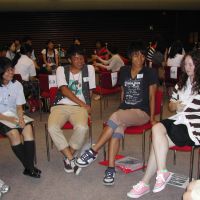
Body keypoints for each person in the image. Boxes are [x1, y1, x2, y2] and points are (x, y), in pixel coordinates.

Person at [76, 40, 158, 185]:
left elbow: (152, 96)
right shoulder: (124, 71)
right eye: (136, 56)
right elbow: (123, 92)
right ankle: (111, 168)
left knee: (115, 116)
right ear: (130, 57)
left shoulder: (150, 72)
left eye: (142, 56)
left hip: (141, 112)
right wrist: (122, 106)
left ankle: (94, 150)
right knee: (116, 129)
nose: (140, 59)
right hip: (125, 111)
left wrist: (151, 118)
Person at [126, 49, 200, 199]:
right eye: (186, 64)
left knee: (158, 141)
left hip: (194, 127)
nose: (188, 67)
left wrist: (183, 106)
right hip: (179, 121)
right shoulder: (182, 82)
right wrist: (176, 106)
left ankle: (145, 182)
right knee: (157, 129)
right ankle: (161, 173)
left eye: (192, 64)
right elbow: (171, 105)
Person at [48, 45, 96, 175]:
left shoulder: (89, 69)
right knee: (52, 127)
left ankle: (68, 156)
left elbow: (90, 91)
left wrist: (86, 109)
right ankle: (71, 158)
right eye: (76, 58)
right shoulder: (61, 70)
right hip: (61, 106)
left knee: (82, 127)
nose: (80, 61)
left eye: (82, 58)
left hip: (79, 108)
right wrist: (83, 104)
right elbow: (63, 89)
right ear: (69, 60)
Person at [0, 57, 41, 178]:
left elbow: (19, 106)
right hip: (1, 118)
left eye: (11, 69)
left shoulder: (17, 84)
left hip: (14, 115)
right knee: (14, 133)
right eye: (7, 71)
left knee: (27, 129)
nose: (11, 72)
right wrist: (8, 119)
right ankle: (30, 167)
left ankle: (29, 168)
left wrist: (21, 118)